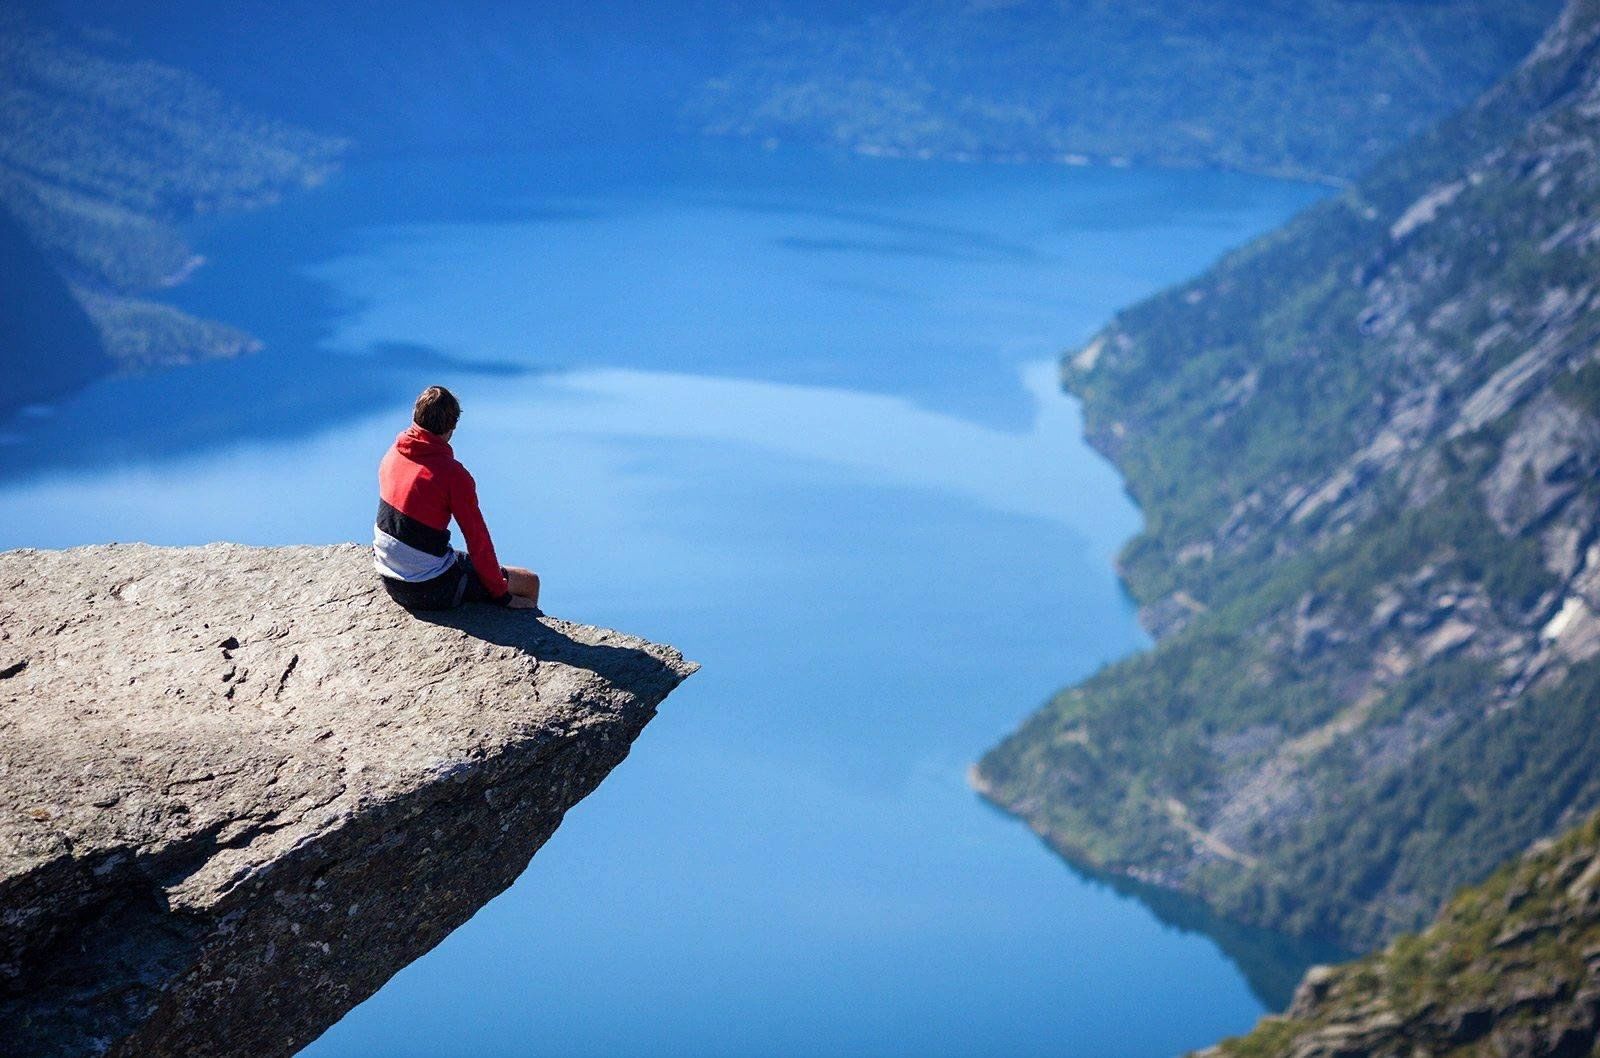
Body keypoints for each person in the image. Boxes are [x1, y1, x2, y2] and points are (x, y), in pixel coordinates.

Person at [373, 385, 541, 612]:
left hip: (389, 577)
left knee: (454, 558)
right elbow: (477, 541)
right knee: (529, 581)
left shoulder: (394, 453)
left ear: (415, 416)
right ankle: (534, 638)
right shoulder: (453, 476)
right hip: (429, 588)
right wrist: (502, 595)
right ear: (452, 427)